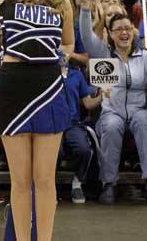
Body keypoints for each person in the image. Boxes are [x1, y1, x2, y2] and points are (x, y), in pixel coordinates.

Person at [0, 0, 75, 241]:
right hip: (14, 85)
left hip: (48, 85)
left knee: (44, 178)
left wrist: (63, 60)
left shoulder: (61, 1)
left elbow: (69, 43)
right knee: (21, 180)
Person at [78, 0, 147, 207]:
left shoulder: (145, 55)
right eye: (118, 29)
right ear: (109, 33)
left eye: (127, 28)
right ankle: (109, 183)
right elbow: (86, 36)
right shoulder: (104, 55)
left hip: (142, 110)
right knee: (110, 124)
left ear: (134, 31)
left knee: (143, 121)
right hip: (112, 112)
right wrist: (84, 9)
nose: (124, 33)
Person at [58, 61, 100, 204]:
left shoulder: (77, 75)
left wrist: (102, 96)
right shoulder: (45, 73)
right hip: (51, 123)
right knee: (53, 152)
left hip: (72, 123)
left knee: (84, 149)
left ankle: (77, 183)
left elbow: (88, 103)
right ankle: (48, 186)